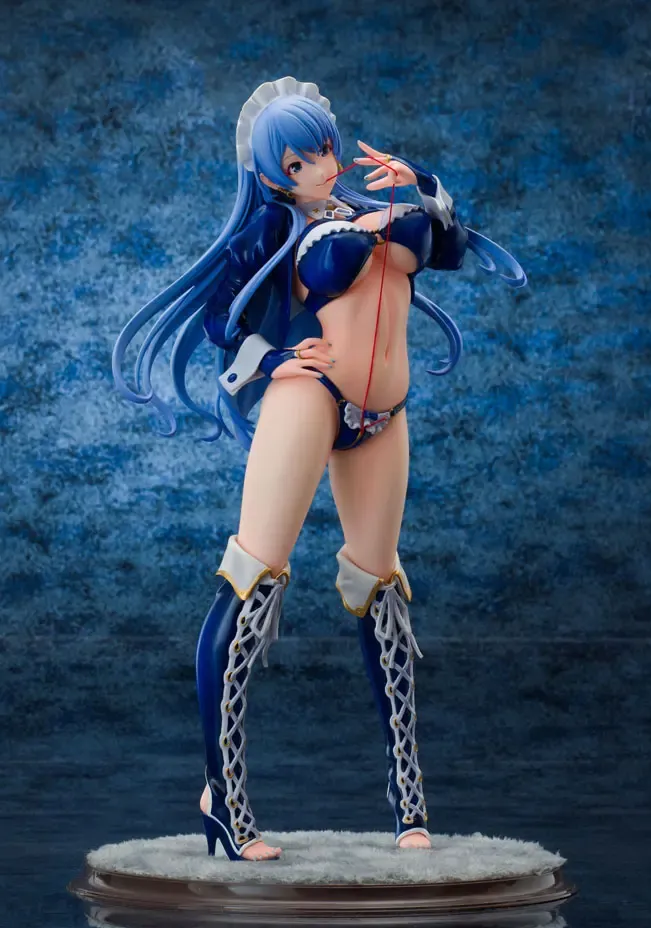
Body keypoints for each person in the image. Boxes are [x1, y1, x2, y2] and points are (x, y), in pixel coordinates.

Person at [112, 76, 526, 862]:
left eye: (323, 150)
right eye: (299, 161)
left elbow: (450, 246)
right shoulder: (276, 227)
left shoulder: (370, 203)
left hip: (384, 415)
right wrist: (270, 358)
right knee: (254, 578)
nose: (320, 166)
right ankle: (223, 795)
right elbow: (221, 314)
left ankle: (409, 800)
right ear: (276, 173)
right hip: (312, 397)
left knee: (380, 586)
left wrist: (422, 185)